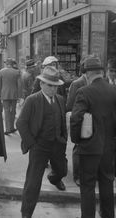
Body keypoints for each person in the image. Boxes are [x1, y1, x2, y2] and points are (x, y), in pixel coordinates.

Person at [16, 66, 68, 218]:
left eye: (56, 86)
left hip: (57, 144)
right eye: (50, 85)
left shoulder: (60, 100)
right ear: (41, 84)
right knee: (33, 182)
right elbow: (21, 123)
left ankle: (54, 178)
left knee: (62, 170)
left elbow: (62, 121)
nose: (53, 89)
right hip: (39, 146)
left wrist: (63, 139)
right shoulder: (32, 100)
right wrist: (32, 144)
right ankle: (26, 213)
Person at [70, 56, 116, 218]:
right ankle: (108, 215)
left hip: (89, 148)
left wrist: (76, 140)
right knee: (107, 184)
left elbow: (76, 119)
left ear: (88, 74)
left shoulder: (84, 91)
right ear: (101, 72)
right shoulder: (113, 90)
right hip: (108, 149)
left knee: (88, 186)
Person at [66, 55, 89, 186]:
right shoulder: (77, 83)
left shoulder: (97, 81)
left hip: (92, 121)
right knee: (78, 148)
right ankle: (77, 175)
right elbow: (70, 105)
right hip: (80, 120)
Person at [0, 58, 21, 135]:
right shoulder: (17, 72)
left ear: (6, 64)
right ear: (12, 64)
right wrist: (19, 95)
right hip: (14, 94)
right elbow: (19, 85)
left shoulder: (1, 72)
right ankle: (12, 127)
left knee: (6, 111)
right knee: (13, 111)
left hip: (4, 94)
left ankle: (7, 129)